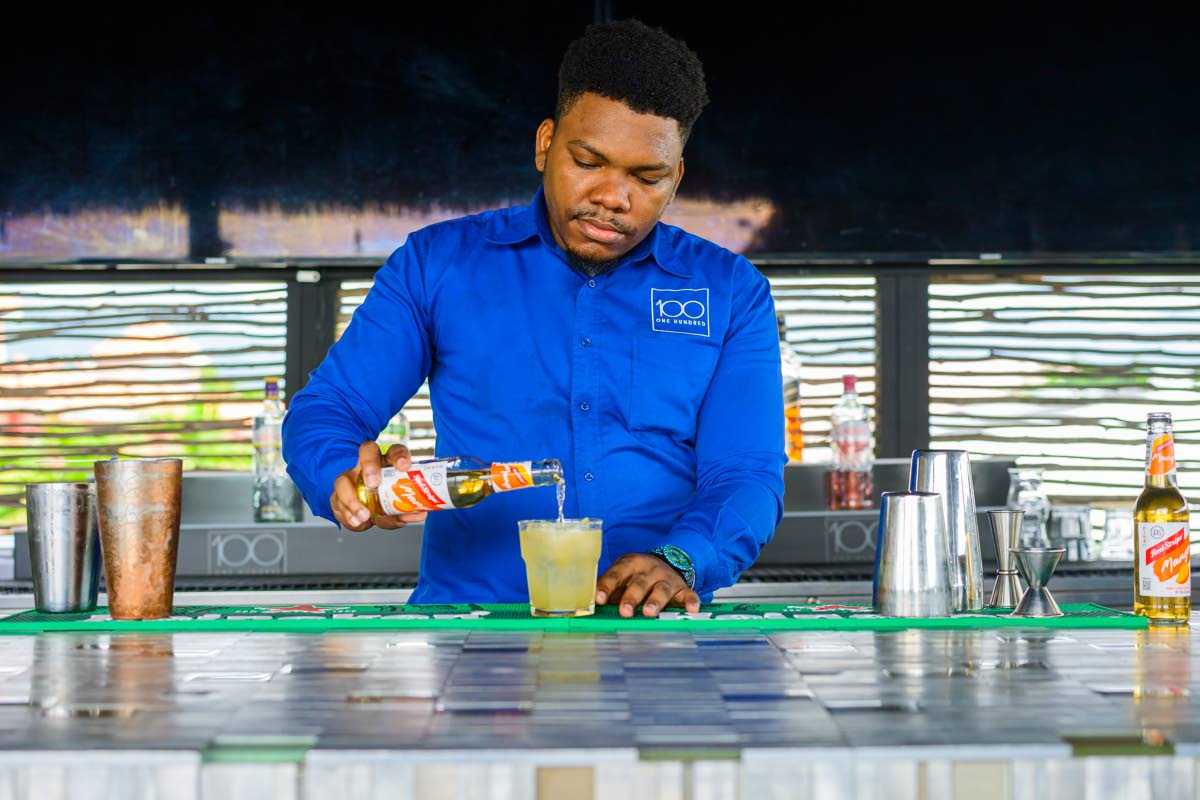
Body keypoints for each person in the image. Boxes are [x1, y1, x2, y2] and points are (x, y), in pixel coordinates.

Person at [282, 18, 785, 617]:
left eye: (645, 177)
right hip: (473, 636)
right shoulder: (437, 265)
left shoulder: (730, 292)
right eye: (588, 161)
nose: (613, 197)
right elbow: (328, 411)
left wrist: (681, 561)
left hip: (657, 642)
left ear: (675, 178)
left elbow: (746, 474)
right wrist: (350, 475)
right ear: (545, 145)